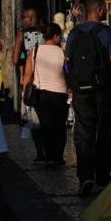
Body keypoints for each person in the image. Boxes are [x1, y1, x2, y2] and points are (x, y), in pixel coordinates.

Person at [65, 0, 111, 196]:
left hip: (81, 91)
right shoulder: (107, 33)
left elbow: (67, 62)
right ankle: (102, 177)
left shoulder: (74, 33)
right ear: (100, 10)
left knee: (84, 133)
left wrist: (71, 88)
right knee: (104, 133)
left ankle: (85, 177)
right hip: (103, 91)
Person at [22, 23, 68, 166]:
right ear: (55, 36)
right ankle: (58, 156)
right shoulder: (63, 52)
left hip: (41, 94)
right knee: (59, 127)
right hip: (60, 93)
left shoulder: (34, 51)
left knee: (46, 126)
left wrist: (25, 93)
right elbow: (68, 73)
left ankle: (48, 154)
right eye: (59, 36)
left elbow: (28, 74)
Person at [13, 8, 46, 163]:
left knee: (34, 120)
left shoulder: (22, 35)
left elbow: (14, 59)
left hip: (32, 81)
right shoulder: (46, 31)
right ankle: (53, 152)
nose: (22, 20)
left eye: (24, 17)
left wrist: (24, 61)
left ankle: (40, 152)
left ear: (31, 18)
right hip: (48, 79)